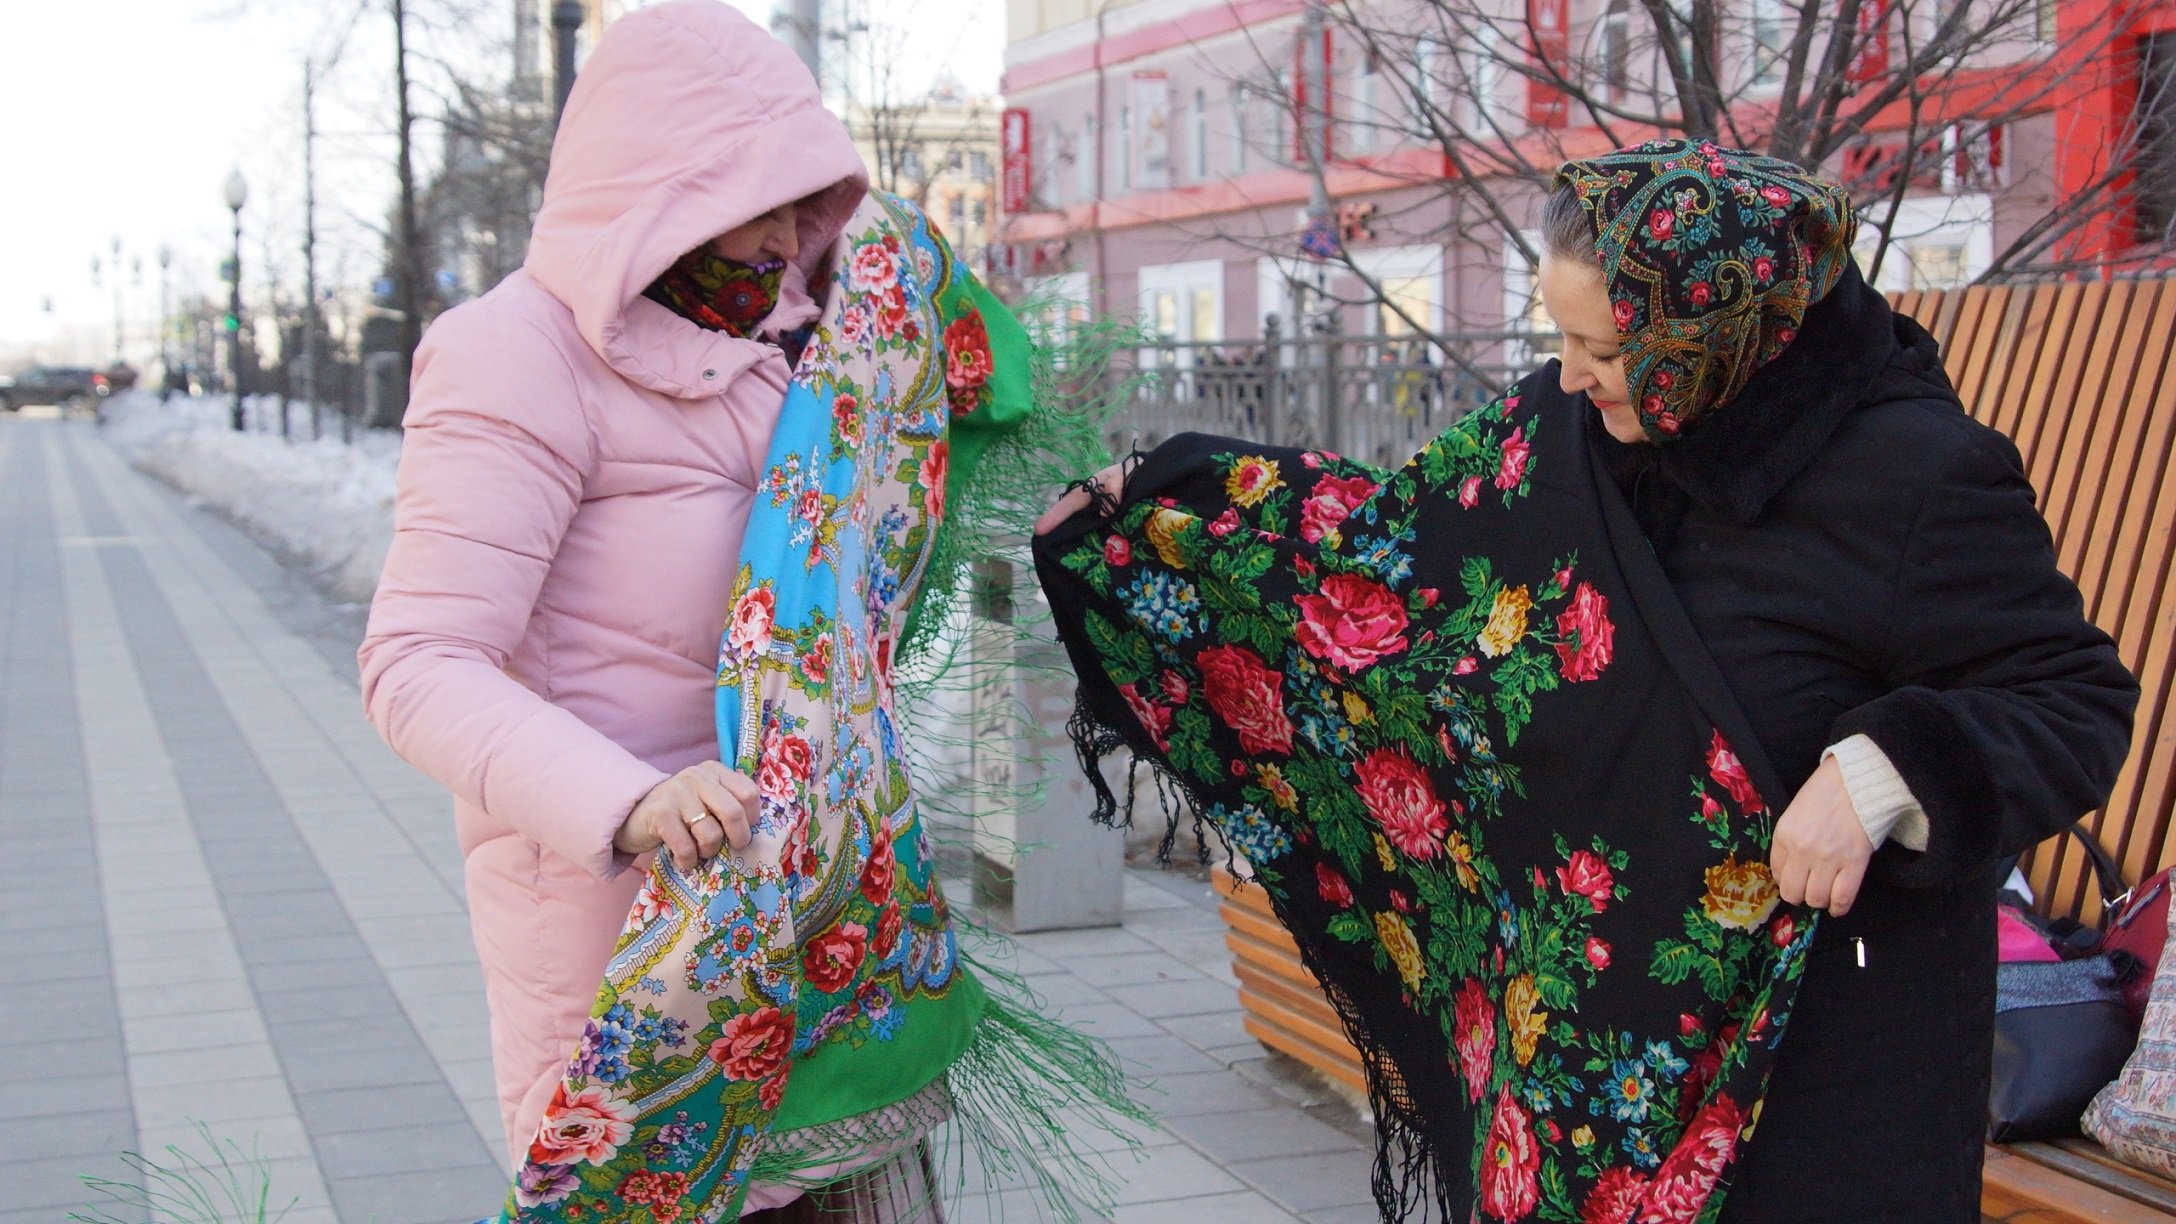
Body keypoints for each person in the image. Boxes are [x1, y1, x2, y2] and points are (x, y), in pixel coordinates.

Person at [1033, 139, 2137, 1222]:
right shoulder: (1574, 426)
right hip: (1576, 1050)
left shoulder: (1918, 475)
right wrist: (1183, 499)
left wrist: (1882, 773)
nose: (1567, 372)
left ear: (1710, 333)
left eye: (1602, 346)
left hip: (1814, 1075)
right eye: (1558, 335)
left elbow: (2070, 698)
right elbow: (1401, 556)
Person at [361, 4, 1133, 1220]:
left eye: (801, 201)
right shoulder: (512, 356)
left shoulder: (797, 353)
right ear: (655, 193)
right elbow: (417, 663)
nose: (783, 237)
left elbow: (858, 551)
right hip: (638, 926)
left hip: (819, 901)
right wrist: (628, 804)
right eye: (752, 201)